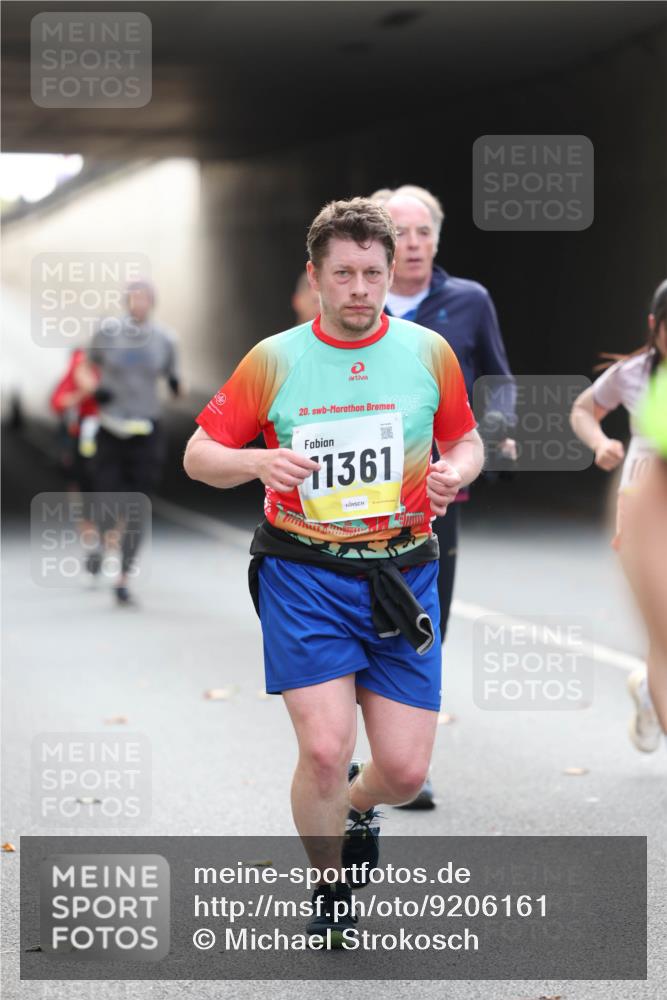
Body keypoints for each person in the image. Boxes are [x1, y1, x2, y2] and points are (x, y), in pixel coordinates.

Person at [184, 198, 484, 944]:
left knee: (405, 773)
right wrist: (256, 458)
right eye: (342, 274)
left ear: (390, 275)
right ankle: (329, 887)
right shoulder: (274, 358)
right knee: (323, 748)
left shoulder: (426, 353)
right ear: (314, 276)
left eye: (372, 274)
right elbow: (198, 456)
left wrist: (453, 470)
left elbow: (466, 439)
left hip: (401, 576)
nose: (358, 289)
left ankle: (356, 807)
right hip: (304, 574)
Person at [371, 184, 516, 809]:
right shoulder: (362, 301)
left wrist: (491, 434)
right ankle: (372, 753)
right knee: (364, 627)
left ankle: (409, 764)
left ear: (437, 237)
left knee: (424, 625)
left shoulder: (469, 301)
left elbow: (499, 382)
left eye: (423, 231)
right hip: (361, 498)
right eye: (400, 232)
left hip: (435, 499)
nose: (414, 243)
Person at [570, 279, 667, 753]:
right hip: (644, 504)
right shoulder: (634, 373)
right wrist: (600, 442)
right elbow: (584, 408)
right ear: (654, 326)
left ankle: (650, 691)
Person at [80, 279, 181, 605]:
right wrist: (94, 390)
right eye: (133, 298)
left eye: (144, 298)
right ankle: (99, 542)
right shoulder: (108, 334)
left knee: (137, 506)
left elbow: (176, 381)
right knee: (109, 500)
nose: (138, 303)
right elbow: (83, 366)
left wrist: (178, 386)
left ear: (152, 302)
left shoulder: (165, 339)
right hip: (111, 429)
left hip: (146, 431)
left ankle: (123, 577)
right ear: (126, 302)